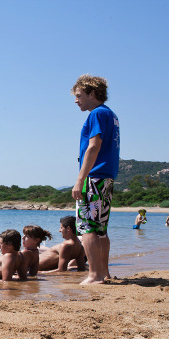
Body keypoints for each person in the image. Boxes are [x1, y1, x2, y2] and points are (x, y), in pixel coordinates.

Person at [71, 74, 120, 285]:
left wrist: (80, 179)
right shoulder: (110, 114)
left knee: (88, 227)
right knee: (100, 229)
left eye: (79, 95)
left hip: (95, 176)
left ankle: (94, 275)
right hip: (106, 177)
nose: (76, 100)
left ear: (92, 93)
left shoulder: (97, 114)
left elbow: (94, 146)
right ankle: (104, 272)